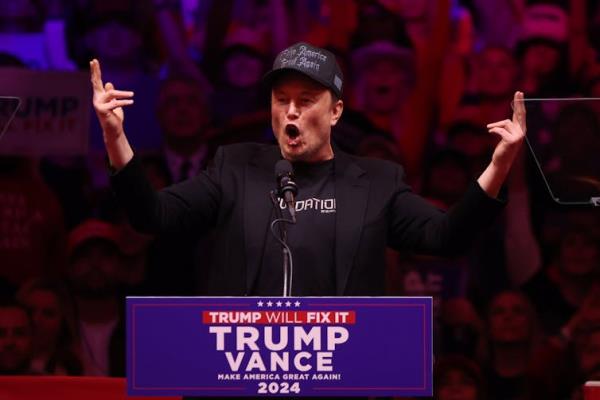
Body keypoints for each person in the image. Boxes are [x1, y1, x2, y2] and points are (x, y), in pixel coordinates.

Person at [90, 41, 525, 297]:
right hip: (242, 382)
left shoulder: (376, 181)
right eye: (281, 100)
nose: (291, 112)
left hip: (341, 381)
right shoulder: (235, 168)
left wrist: (499, 164)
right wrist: (116, 138)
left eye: (306, 100)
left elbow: (447, 236)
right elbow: (153, 216)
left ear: (335, 111)